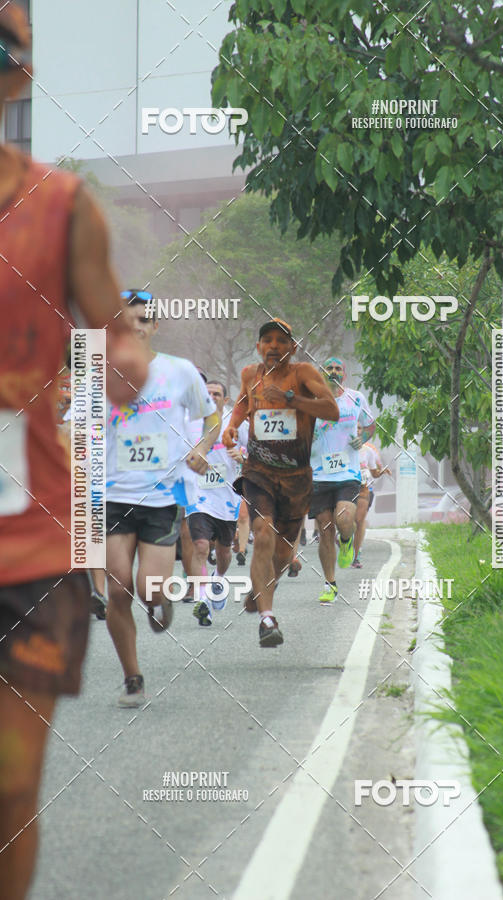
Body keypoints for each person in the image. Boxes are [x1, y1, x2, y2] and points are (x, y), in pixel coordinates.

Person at [0, 9, 148, 899]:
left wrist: (114, 369)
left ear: (15, 77)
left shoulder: (60, 209)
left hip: (32, 549)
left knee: (10, 785)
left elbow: (117, 336)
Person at [105, 292, 219, 707]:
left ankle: (161, 601)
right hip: (113, 496)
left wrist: (202, 448)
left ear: (155, 326)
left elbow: (211, 418)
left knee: (149, 590)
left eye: (143, 320)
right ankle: (132, 679)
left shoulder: (179, 371)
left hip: (162, 497)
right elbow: (78, 428)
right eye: (126, 321)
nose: (134, 327)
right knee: (118, 589)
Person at [224, 319, 338, 647]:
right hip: (258, 472)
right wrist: (232, 425)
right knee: (262, 533)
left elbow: (331, 410)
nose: (274, 346)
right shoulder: (250, 374)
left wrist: (292, 399)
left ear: (293, 347)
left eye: (281, 340)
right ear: (258, 347)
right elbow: (243, 402)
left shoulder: (304, 374)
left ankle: (259, 593)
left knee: (285, 555)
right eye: (267, 340)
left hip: (296, 478)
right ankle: (267, 618)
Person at [179, 380, 249, 627]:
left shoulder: (237, 424)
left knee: (224, 552)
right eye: (207, 393)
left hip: (227, 498)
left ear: (225, 399)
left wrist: (243, 456)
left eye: (216, 394)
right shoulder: (189, 422)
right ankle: (202, 600)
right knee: (200, 546)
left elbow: (256, 452)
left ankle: (218, 578)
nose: (211, 396)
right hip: (198, 496)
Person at [309, 357, 375, 602]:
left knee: (345, 518)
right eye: (329, 368)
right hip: (318, 475)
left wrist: (362, 438)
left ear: (344, 375)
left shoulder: (355, 398)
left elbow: (370, 425)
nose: (334, 371)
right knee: (325, 529)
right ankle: (330, 584)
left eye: (338, 368)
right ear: (322, 373)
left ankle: (346, 540)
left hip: (348, 473)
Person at [352, 425, 391, 568]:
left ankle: (356, 556)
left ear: (362, 431)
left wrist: (382, 472)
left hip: (364, 489)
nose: (357, 430)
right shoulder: (340, 449)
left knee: (359, 520)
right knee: (346, 522)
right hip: (344, 489)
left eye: (359, 428)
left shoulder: (368, 451)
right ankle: (344, 539)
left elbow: (374, 473)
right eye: (354, 427)